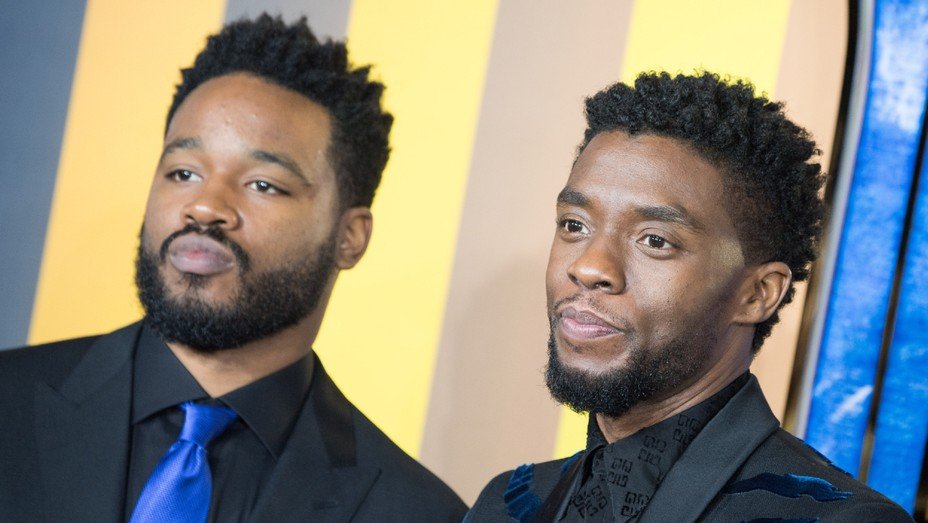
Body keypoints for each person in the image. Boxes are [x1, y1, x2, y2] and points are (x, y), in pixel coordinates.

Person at [0, 15, 466, 522]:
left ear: (349, 237)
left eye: (262, 184)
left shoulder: (415, 512)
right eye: (183, 172)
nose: (204, 206)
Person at [467, 72, 912, 522]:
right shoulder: (507, 503)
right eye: (574, 225)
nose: (589, 267)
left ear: (757, 294)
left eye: (655, 240)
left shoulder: (836, 518)